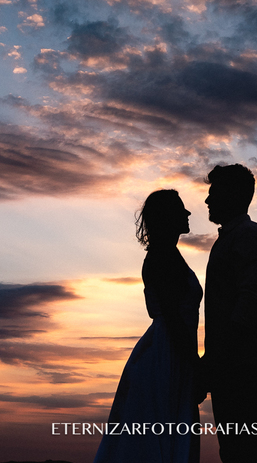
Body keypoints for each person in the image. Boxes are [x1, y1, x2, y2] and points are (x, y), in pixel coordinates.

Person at [94, 189, 202, 463]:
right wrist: (195, 364)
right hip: (168, 353)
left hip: (169, 349)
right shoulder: (162, 258)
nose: (188, 213)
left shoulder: (168, 255)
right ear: (168, 217)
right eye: (181, 209)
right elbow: (173, 317)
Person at [200, 164, 257, 463]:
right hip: (231, 365)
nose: (207, 200)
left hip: (238, 366)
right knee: (236, 451)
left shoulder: (248, 236)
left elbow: (250, 302)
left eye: (214, 193)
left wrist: (215, 358)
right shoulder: (234, 237)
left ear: (233, 195)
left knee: (243, 452)